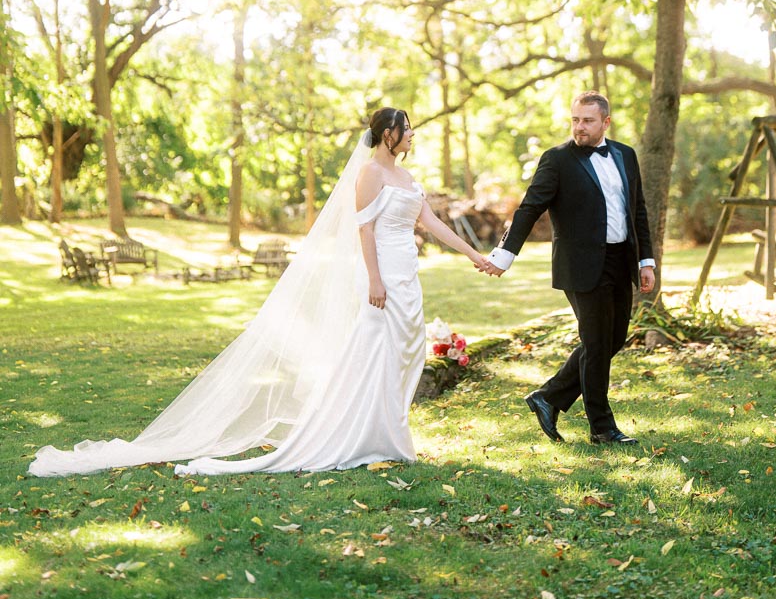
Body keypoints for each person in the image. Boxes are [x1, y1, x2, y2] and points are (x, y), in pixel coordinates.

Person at [28, 106, 492, 478]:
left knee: (407, 351)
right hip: (381, 275)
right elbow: (365, 231)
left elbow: (429, 223)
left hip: (408, 276)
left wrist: (474, 254)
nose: (412, 135)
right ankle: (365, 437)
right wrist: (373, 279)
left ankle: (387, 433)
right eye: (406, 129)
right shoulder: (370, 174)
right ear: (387, 134)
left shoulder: (409, 180)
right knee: (375, 353)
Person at [484, 91, 655, 445]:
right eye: (575, 119)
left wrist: (646, 260)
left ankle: (548, 396)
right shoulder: (557, 160)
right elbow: (530, 207)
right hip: (579, 265)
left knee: (614, 339)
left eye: (588, 121)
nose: (580, 127)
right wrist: (505, 254)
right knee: (595, 344)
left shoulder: (625, 155)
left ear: (606, 122)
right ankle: (602, 427)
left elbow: (637, 210)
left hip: (620, 259)